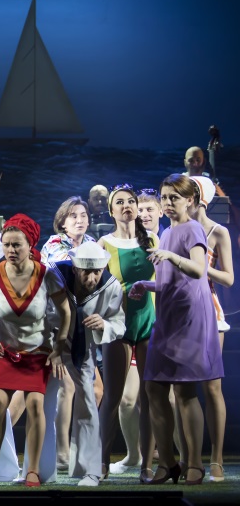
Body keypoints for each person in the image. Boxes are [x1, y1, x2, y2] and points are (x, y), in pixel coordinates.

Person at [129, 174, 223, 486]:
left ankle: (194, 463)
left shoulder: (192, 228)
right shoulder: (167, 232)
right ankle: (168, 462)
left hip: (189, 317)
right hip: (168, 317)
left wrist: (170, 255)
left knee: (184, 391)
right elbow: (170, 281)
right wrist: (146, 284)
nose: (168, 203)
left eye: (174, 197)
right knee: (154, 388)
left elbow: (198, 269)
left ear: (190, 200)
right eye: (165, 197)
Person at [0, 213, 70, 488]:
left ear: (30, 246)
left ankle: (33, 470)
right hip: (4, 351)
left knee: (35, 405)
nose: (11, 250)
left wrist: (59, 347)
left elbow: (66, 311)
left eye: (17, 245)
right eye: (6, 245)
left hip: (37, 352)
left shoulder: (45, 274)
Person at [97, 184, 158, 483]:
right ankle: (101, 462)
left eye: (131, 201)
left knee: (149, 397)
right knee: (113, 396)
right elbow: (93, 286)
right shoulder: (103, 243)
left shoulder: (152, 240)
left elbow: (165, 279)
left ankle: (146, 466)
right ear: (111, 211)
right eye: (119, 202)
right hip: (118, 324)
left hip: (148, 323)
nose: (126, 206)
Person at [51, 242, 125, 486]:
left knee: (88, 403)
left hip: (82, 349)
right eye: (86, 272)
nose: (92, 278)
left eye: (97, 272)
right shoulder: (55, 277)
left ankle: (89, 468)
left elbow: (119, 322)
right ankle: (39, 467)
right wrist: (52, 347)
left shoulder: (111, 286)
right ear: (75, 269)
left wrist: (104, 324)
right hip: (48, 343)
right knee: (41, 402)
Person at [38, 196, 96, 473]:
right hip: (54, 324)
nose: (79, 220)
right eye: (73, 216)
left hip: (82, 325)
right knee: (62, 387)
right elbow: (69, 273)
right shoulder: (54, 244)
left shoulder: (92, 243)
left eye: (83, 215)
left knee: (90, 389)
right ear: (62, 222)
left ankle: (78, 450)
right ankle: (61, 451)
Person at [187, 176, 233, 482]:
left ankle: (216, 458)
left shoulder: (218, 232)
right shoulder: (175, 230)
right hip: (180, 313)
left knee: (212, 386)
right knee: (184, 389)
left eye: (185, 195)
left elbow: (228, 278)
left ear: (198, 198)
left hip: (210, 312)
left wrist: (201, 267)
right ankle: (191, 458)